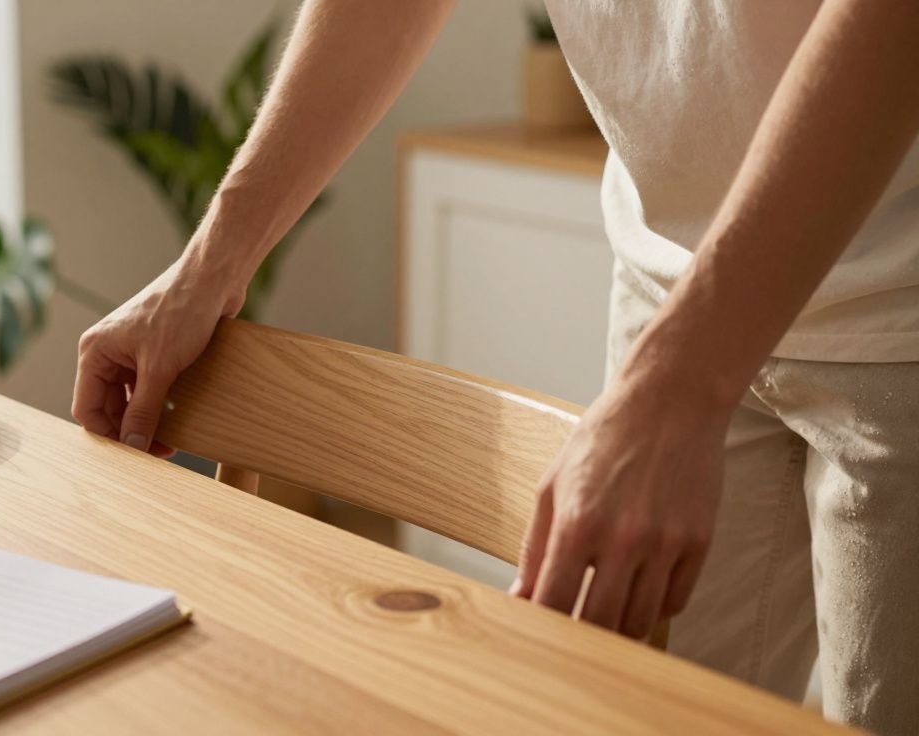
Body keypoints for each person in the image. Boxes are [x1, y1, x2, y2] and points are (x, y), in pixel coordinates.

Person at [70, 1, 919, 732]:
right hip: (672, 279)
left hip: (900, 305)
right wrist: (210, 261)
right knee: (629, 716)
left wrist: (675, 383)